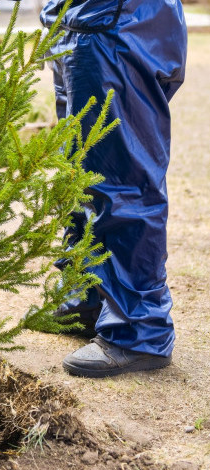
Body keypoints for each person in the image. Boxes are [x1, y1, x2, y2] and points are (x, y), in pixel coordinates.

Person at [40, 0, 187, 376]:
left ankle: (139, 330)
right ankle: (88, 296)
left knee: (123, 180)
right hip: (78, 21)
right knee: (80, 170)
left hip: (116, 22)